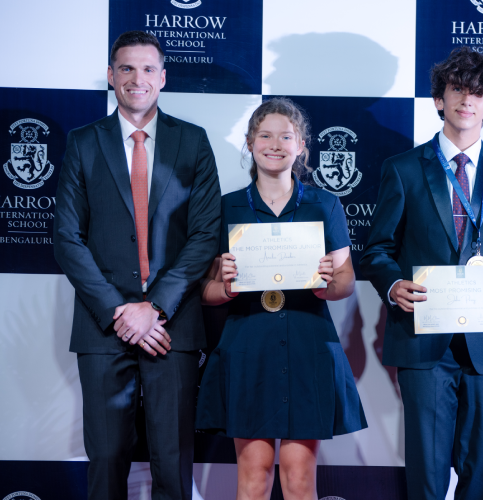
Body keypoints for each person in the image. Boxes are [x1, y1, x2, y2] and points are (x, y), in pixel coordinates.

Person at [53, 31, 221, 499]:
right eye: (126, 68)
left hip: (172, 324)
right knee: (107, 460)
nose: (137, 78)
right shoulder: (84, 142)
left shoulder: (193, 141)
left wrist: (155, 306)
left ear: (163, 77)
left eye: (148, 68)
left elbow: (205, 235)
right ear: (111, 76)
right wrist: (119, 312)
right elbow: (67, 238)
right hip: (103, 326)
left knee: (172, 459)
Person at [360, 47, 483, 500]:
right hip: (424, 340)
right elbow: (377, 250)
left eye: (478, 93)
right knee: (427, 475)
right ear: (440, 99)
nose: (466, 100)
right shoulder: (402, 169)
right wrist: (392, 285)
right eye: (457, 89)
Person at [195, 97, 367, 500]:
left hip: (308, 346)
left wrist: (326, 285)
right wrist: (226, 287)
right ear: (250, 142)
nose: (275, 144)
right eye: (265, 136)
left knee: (299, 480)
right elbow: (204, 290)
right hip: (248, 348)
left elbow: (345, 281)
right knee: (253, 480)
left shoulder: (325, 203)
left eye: (286, 137)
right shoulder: (225, 207)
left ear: (301, 145)